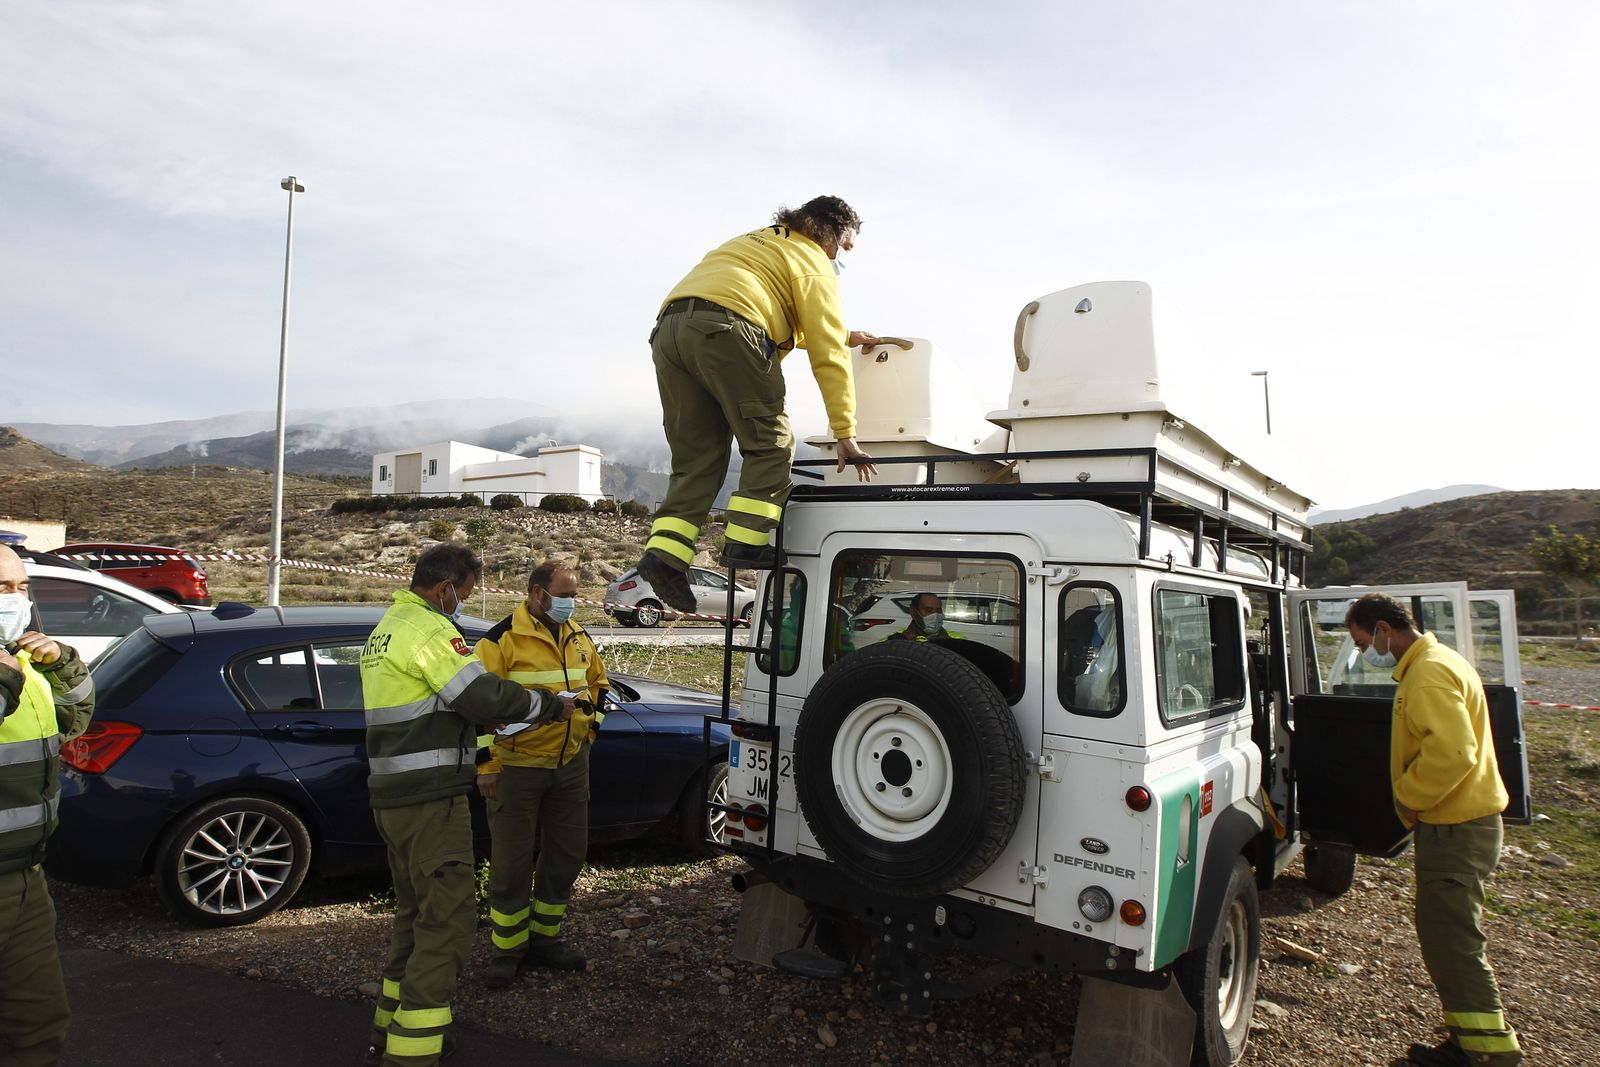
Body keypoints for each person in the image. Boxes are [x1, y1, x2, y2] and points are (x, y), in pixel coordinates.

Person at [360, 543, 574, 1067]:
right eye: (465, 593)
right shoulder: (430, 631)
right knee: (449, 923)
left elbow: (439, 704)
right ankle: (413, 1053)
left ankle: (389, 1029)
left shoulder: (387, 627)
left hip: (394, 798)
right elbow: (480, 695)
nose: (464, 603)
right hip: (430, 801)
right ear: (444, 589)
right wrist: (545, 705)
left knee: (414, 915)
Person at [636, 195, 881, 613]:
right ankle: (745, 545)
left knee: (697, 459)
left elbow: (764, 307)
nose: (843, 258)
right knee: (771, 440)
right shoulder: (812, 260)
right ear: (828, 232)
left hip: (671, 331)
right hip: (729, 329)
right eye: (846, 247)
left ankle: (664, 558)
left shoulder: (757, 241)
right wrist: (845, 432)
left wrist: (842, 333)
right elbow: (828, 354)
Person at [1344, 593, 1520, 1067]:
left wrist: (1410, 797)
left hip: (1456, 826)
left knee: (1453, 939)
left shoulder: (1428, 675)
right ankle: (1467, 1040)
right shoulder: (1436, 663)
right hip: (1459, 823)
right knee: (1444, 933)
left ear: (1384, 629)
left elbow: (1454, 753)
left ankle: (1488, 1053)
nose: (1366, 654)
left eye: (1364, 643)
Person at [474, 560, 608, 987]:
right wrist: (487, 767)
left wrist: (591, 733)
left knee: (567, 854)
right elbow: (479, 708)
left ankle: (545, 939)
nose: (571, 602)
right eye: (564, 594)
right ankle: (507, 949)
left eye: (574, 594)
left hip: (570, 765)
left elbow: (599, 685)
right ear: (536, 593)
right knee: (511, 863)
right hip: (516, 769)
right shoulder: (499, 640)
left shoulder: (579, 635)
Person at [0, 544, 95, 1067]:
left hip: (26, 877)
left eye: (22, 588)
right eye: (1, 589)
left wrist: (61, 663)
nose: (15, 600)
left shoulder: (19, 660)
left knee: (37, 1026)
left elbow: (75, 719)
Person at [887, 593, 963, 643]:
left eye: (938, 610)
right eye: (928, 610)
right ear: (913, 612)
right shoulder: (894, 642)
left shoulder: (957, 640)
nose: (935, 615)